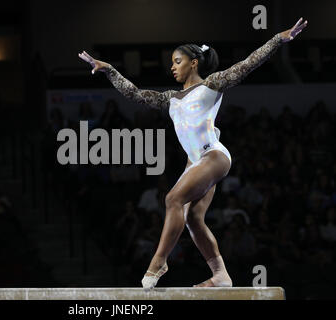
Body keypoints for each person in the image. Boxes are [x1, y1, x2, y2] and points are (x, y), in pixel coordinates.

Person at [79, 18, 308, 289]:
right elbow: (136, 94)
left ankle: (159, 262)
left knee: (172, 198)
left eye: (177, 61)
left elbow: (247, 64)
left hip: (214, 156)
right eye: (172, 62)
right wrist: (110, 71)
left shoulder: (211, 85)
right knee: (192, 218)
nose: (172, 66)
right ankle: (220, 274)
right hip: (196, 163)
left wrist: (277, 39)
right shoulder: (171, 98)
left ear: (194, 63)